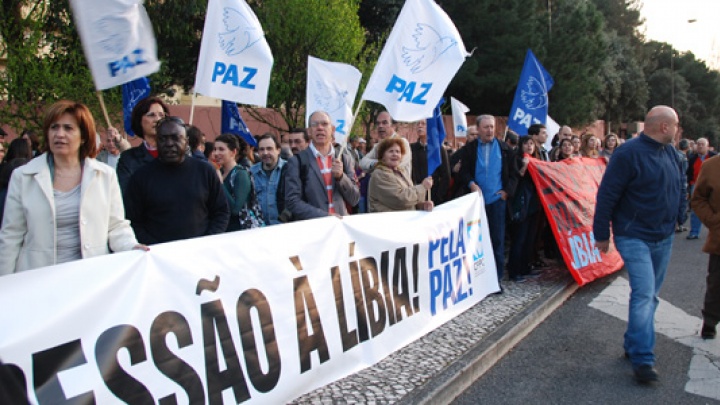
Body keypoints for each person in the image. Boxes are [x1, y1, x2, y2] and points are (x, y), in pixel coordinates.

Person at [593, 105, 686, 384]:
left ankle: (633, 342)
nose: (679, 129)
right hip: (633, 235)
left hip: (664, 235)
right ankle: (643, 359)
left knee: (650, 296)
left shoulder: (671, 153)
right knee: (644, 294)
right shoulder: (627, 153)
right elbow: (607, 195)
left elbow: (679, 185)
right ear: (664, 127)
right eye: (677, 124)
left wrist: (680, 214)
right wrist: (601, 234)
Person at [0, 100, 146, 274]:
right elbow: (10, 237)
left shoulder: (105, 175)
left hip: (89, 279)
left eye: (68, 128)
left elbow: (116, 227)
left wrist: (132, 248)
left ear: (83, 136)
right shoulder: (23, 176)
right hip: (36, 279)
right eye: (54, 127)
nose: (59, 134)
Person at [124, 117, 230, 244]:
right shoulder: (141, 177)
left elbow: (221, 212)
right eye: (163, 138)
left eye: (176, 138)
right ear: (157, 141)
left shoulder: (205, 171)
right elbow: (132, 221)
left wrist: (206, 241)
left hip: (200, 253)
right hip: (158, 256)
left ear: (186, 142)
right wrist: (156, 248)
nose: (169, 143)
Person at [457, 114, 518, 286]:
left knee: (497, 241)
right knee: (476, 242)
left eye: (492, 126)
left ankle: (495, 280)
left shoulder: (505, 149)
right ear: (478, 129)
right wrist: (471, 184)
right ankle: (477, 280)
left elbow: (514, 175)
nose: (490, 130)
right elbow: (463, 172)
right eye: (486, 127)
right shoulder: (470, 149)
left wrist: (506, 192)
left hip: (497, 202)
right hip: (476, 203)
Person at [284, 111, 359, 220]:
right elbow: (292, 202)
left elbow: (354, 199)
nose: (320, 128)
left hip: (340, 228)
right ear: (309, 131)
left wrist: (341, 178)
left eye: (324, 124)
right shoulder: (297, 161)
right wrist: (325, 216)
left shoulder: (344, 159)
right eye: (315, 124)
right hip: (314, 228)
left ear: (332, 130)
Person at [690, 154, 720, 339]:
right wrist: (715, 222)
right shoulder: (711, 166)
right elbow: (698, 199)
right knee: (716, 284)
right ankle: (710, 321)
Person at [116, 96, 170, 193]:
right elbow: (125, 196)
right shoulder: (129, 159)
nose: (157, 119)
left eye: (161, 115)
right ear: (139, 120)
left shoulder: (175, 155)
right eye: (151, 115)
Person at [507, 136, 542, 282]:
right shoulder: (517, 159)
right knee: (519, 238)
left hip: (533, 205)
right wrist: (524, 166)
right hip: (521, 204)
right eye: (526, 143)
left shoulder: (536, 160)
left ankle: (525, 267)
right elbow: (516, 177)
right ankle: (514, 271)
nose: (529, 146)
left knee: (529, 238)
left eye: (532, 144)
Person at [214, 134, 263, 231]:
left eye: (221, 149)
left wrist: (220, 184)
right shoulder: (221, 173)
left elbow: (235, 209)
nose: (216, 153)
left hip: (239, 232)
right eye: (215, 149)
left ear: (233, 152)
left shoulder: (240, 174)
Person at [369, 138, 433, 213]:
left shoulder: (401, 172)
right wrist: (422, 187)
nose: (395, 154)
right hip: (388, 222)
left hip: (403, 221)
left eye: (398, 152)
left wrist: (421, 206)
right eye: (391, 151)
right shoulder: (380, 174)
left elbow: (409, 201)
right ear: (382, 156)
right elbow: (400, 200)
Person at [360, 111, 412, 179]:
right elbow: (362, 163)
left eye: (384, 123)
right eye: (378, 123)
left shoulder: (402, 143)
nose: (380, 126)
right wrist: (377, 163)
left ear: (393, 125)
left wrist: (379, 166)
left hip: (399, 187)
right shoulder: (378, 146)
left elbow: (395, 168)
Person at [411, 119, 450, 206]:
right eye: (418, 124)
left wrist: (438, 197)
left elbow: (446, 176)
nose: (420, 126)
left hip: (433, 197)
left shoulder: (439, 149)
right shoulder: (411, 148)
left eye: (423, 124)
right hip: (415, 195)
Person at [250, 133, 286, 225]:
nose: (265, 153)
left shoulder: (289, 169)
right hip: (260, 230)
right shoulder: (251, 173)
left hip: (284, 228)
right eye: (262, 149)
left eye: (269, 148)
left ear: (278, 150)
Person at [686, 138, 717, 240]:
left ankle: (715, 231)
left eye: (702, 144)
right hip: (696, 184)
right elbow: (689, 172)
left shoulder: (713, 157)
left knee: (714, 207)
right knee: (696, 207)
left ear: (707, 146)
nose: (700, 146)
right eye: (698, 144)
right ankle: (694, 231)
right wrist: (690, 184)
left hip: (712, 185)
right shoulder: (692, 158)